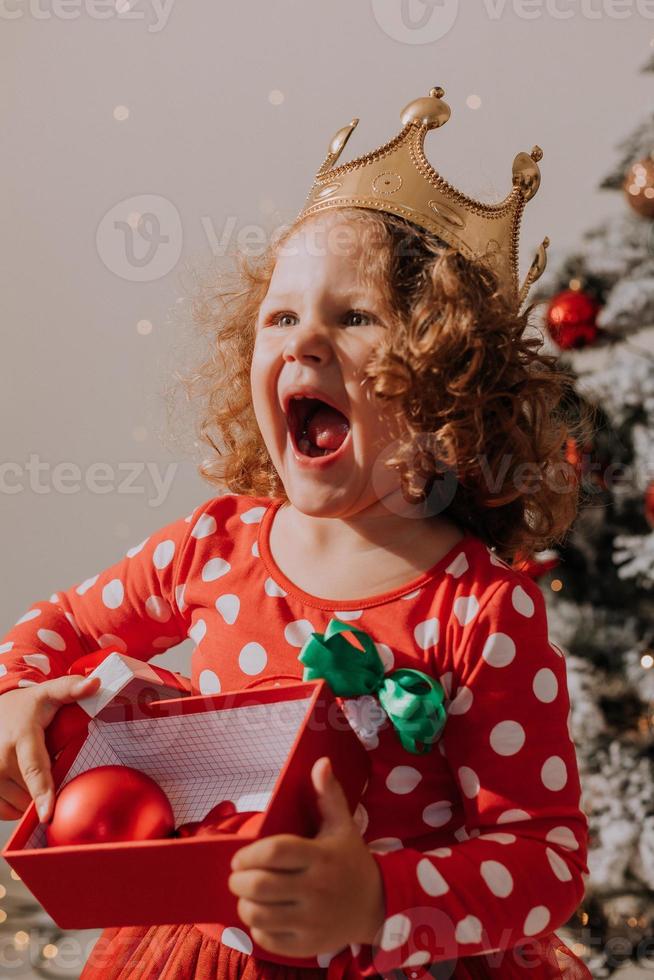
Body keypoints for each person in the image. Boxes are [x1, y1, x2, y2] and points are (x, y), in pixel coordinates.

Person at [0, 89, 595, 979]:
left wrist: (377, 902)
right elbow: (67, 627)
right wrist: (13, 693)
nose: (304, 339)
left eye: (353, 318)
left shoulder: (480, 614)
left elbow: (546, 860)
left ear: (449, 382)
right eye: (281, 316)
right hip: (201, 956)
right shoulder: (213, 545)